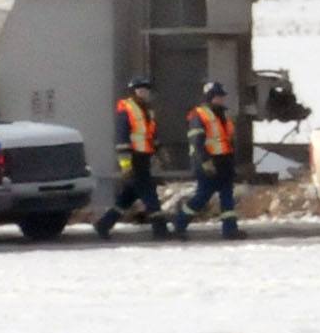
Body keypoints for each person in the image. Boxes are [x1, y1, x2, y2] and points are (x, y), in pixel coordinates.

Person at [94, 77, 170, 239]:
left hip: (144, 158)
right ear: (133, 91)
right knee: (150, 195)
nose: (143, 92)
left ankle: (103, 224)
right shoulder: (126, 109)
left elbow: (151, 135)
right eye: (140, 89)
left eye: (146, 89)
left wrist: (160, 150)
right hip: (134, 159)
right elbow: (122, 140)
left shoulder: (147, 110)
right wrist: (126, 165)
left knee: (127, 198)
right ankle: (160, 230)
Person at [175, 81, 241, 239]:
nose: (222, 99)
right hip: (207, 162)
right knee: (202, 196)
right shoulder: (199, 115)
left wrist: (231, 160)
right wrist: (206, 162)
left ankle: (230, 230)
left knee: (227, 196)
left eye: (222, 97)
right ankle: (179, 224)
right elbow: (197, 141)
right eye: (218, 96)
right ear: (210, 97)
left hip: (224, 161)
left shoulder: (224, 114)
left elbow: (228, 139)